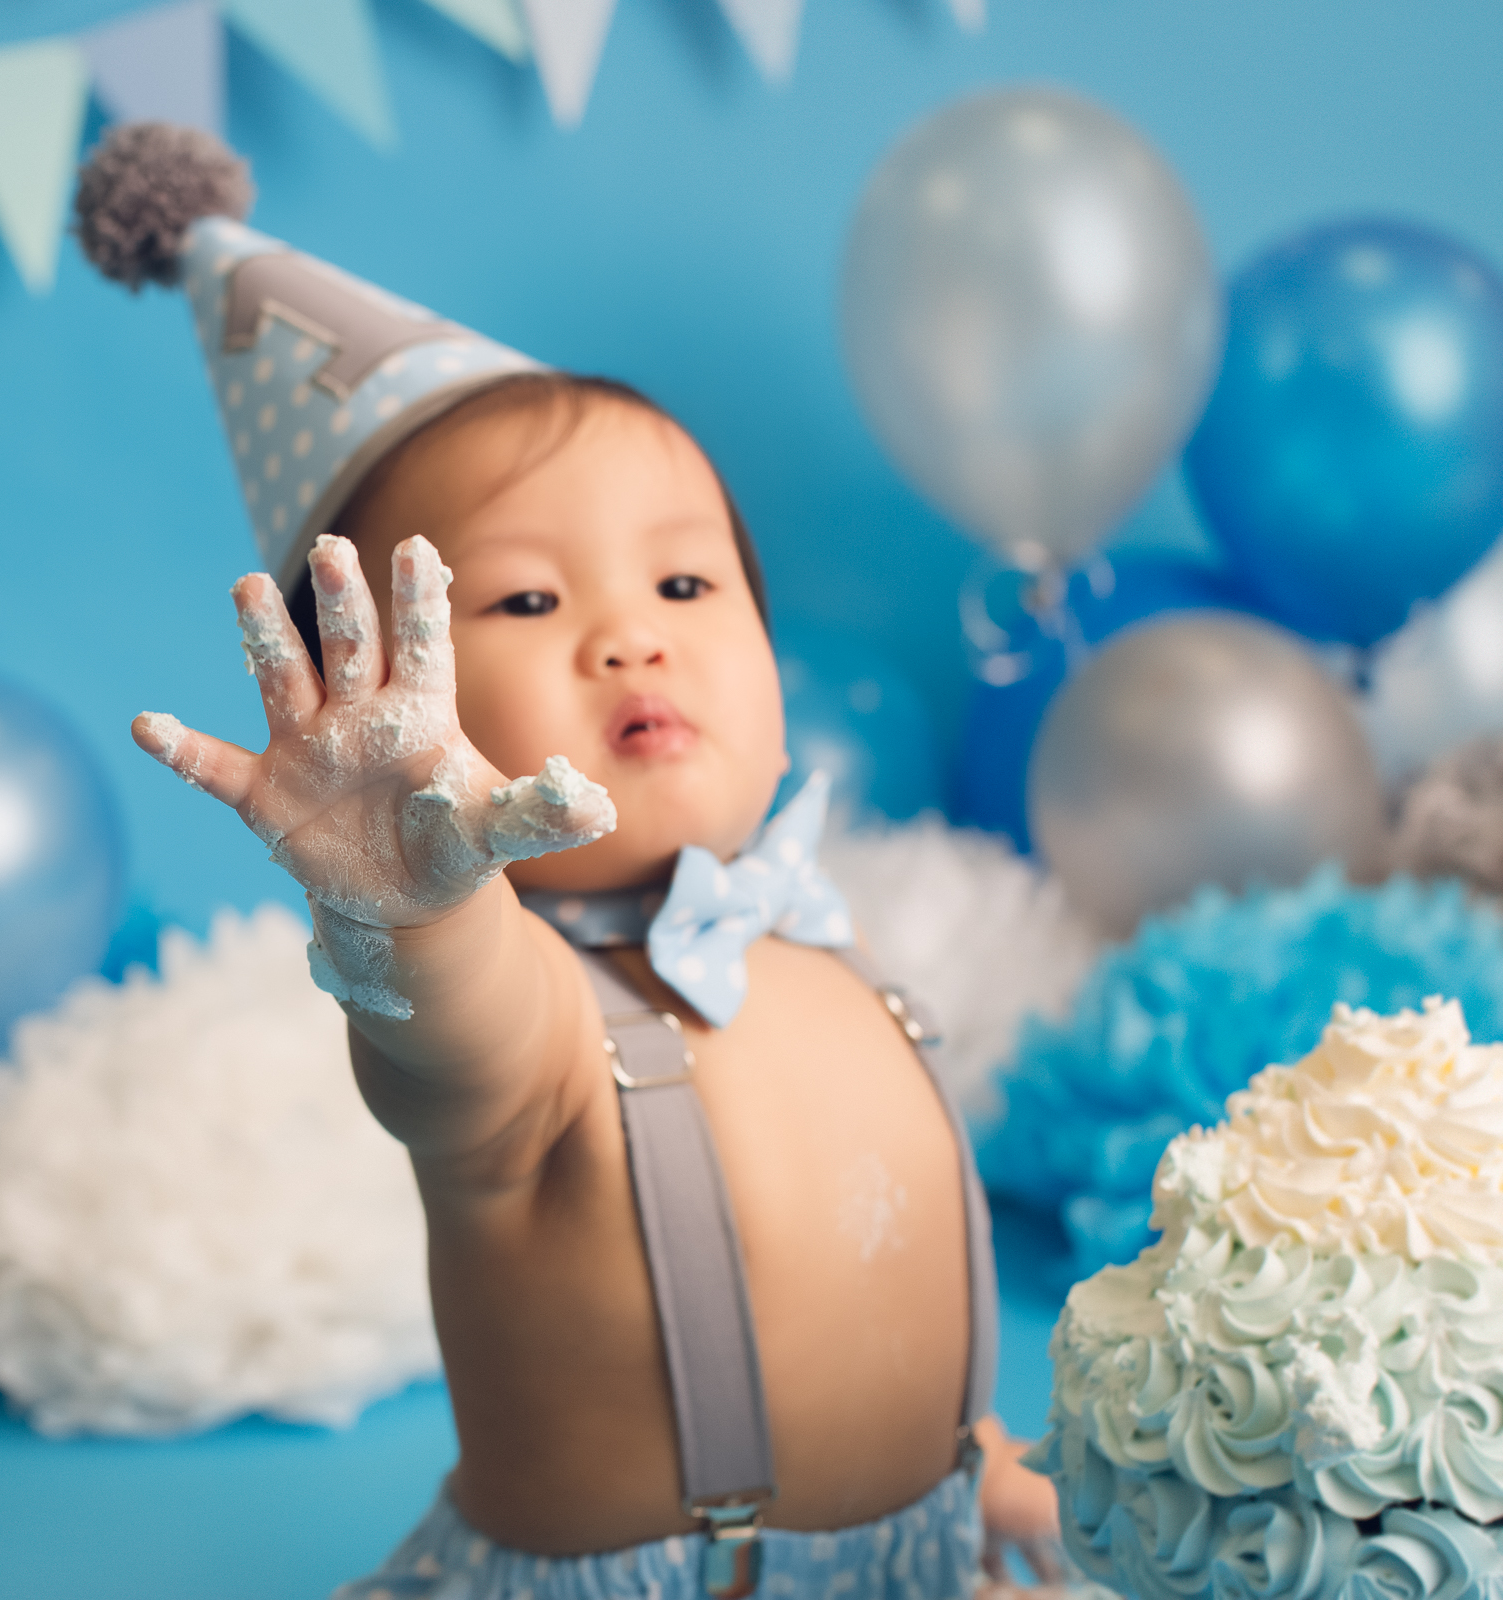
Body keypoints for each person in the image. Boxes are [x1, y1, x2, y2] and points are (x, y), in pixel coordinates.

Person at [76, 124, 1065, 1599]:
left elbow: (885, 1258)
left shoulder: (813, 947)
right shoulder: (531, 1012)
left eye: (683, 578)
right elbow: (450, 1041)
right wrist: (408, 902)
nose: (631, 631)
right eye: (527, 597)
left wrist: (975, 1460)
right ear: (379, 704)